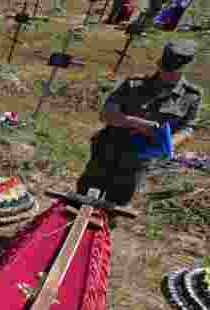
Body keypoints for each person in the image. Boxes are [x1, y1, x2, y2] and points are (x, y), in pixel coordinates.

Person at [75, 41, 202, 207]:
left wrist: (171, 143)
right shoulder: (134, 85)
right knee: (83, 197)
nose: (166, 74)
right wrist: (132, 122)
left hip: (138, 161)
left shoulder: (191, 96)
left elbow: (188, 128)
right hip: (107, 151)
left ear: (184, 69)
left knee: (116, 205)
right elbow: (106, 114)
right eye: (164, 69)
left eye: (172, 72)